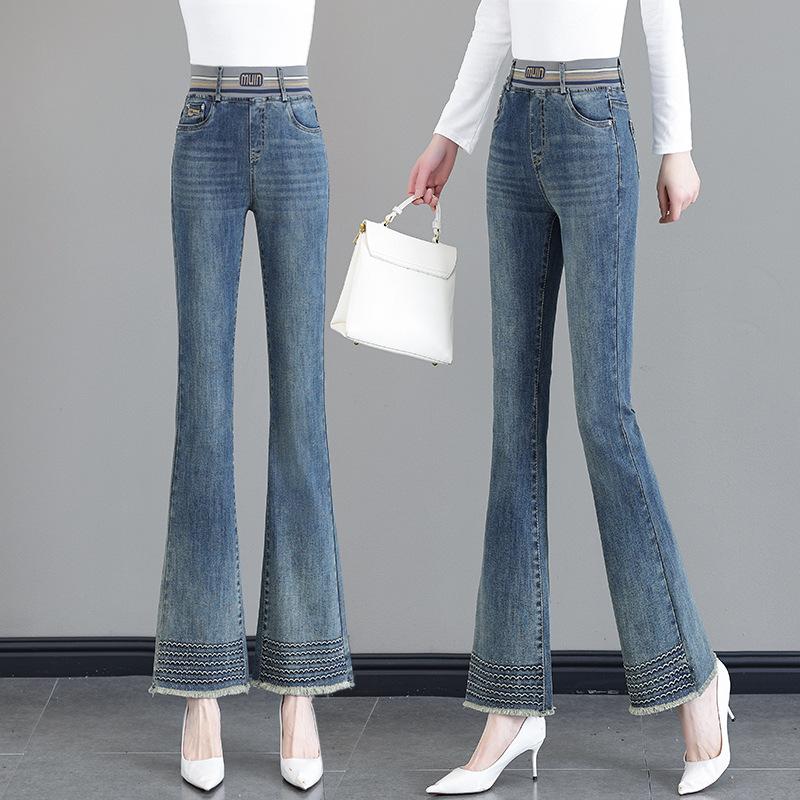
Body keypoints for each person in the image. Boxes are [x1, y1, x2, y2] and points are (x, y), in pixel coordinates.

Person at [407, 0, 734, 795]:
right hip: (514, 130)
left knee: (603, 416)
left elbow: (662, 20)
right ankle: (510, 705)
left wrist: (677, 146)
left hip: (596, 125)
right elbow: (497, 18)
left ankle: (696, 681)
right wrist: (451, 134)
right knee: (512, 424)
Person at [149, 0, 352, 791]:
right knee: (203, 413)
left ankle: (300, 690)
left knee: (301, 414)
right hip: (205, 126)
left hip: (295, 124)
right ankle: (200, 692)